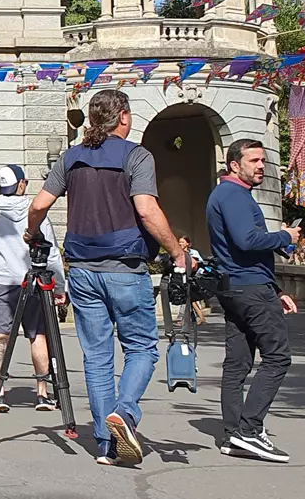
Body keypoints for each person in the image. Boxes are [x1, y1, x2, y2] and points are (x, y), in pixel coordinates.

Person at [29, 89, 188, 467]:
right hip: (125, 268)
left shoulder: (71, 158)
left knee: (97, 357)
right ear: (124, 118)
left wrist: (32, 233)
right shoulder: (137, 155)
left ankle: (107, 444)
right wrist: (176, 252)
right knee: (141, 348)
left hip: (83, 270)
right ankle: (126, 413)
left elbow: (38, 205)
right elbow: (147, 211)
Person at [207, 138, 300, 463]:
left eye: (263, 160)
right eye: (254, 161)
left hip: (239, 286)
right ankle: (248, 431)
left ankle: (234, 435)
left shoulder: (227, 194)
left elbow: (240, 251)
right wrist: (284, 237)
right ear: (235, 164)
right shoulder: (232, 195)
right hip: (248, 289)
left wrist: (275, 289)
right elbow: (247, 242)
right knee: (278, 358)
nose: (261, 166)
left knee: (238, 363)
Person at [0, 164, 66, 412]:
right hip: (32, 279)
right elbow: (51, 252)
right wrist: (59, 286)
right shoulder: (36, 212)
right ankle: (42, 394)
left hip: (2, 283)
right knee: (37, 336)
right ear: (21, 185)